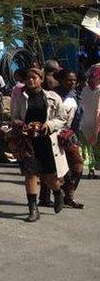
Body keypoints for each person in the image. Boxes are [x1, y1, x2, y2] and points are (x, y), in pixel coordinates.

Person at [8, 68, 70, 223]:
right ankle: (33, 209)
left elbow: (62, 118)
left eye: (34, 78)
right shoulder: (22, 97)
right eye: (28, 78)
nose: (30, 81)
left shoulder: (52, 97)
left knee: (47, 175)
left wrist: (47, 125)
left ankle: (57, 192)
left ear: (41, 79)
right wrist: (20, 124)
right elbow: (14, 117)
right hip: (28, 141)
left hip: (46, 141)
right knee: (31, 174)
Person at [42, 69, 85, 209]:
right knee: (50, 167)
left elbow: (78, 117)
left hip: (69, 135)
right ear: (60, 81)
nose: (72, 83)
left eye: (74, 80)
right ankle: (45, 198)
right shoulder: (52, 95)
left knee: (77, 166)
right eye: (68, 80)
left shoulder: (76, 95)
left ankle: (69, 196)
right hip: (53, 134)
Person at [79, 64, 100, 179]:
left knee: (88, 149)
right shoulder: (98, 89)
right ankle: (92, 169)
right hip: (96, 125)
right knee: (95, 149)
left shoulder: (85, 89)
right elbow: (98, 111)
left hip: (84, 124)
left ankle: (91, 169)